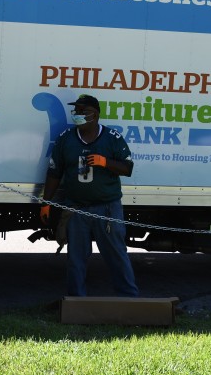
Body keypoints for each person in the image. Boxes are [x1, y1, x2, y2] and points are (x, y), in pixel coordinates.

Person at [40, 93, 139, 297]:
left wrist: (105, 162)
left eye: (83, 111)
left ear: (95, 115)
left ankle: (129, 299)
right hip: (76, 208)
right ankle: (77, 302)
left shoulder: (112, 138)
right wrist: (46, 203)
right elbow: (54, 173)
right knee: (76, 258)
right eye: (76, 111)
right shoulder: (66, 139)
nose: (78, 115)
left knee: (117, 255)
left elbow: (127, 167)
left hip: (107, 208)